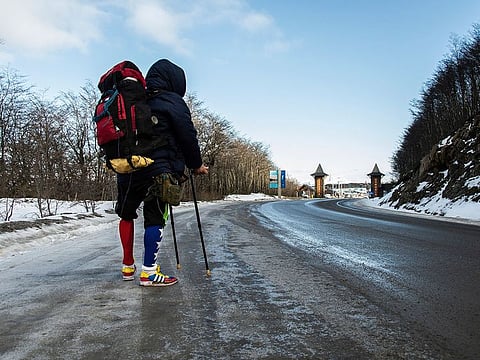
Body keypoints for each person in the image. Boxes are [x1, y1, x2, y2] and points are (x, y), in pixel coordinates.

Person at [115, 59, 208, 287]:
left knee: (126, 214)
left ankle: (128, 266)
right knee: (155, 216)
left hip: (129, 168)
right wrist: (196, 165)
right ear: (174, 81)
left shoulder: (136, 100)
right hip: (159, 169)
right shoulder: (172, 101)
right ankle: (149, 272)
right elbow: (187, 136)